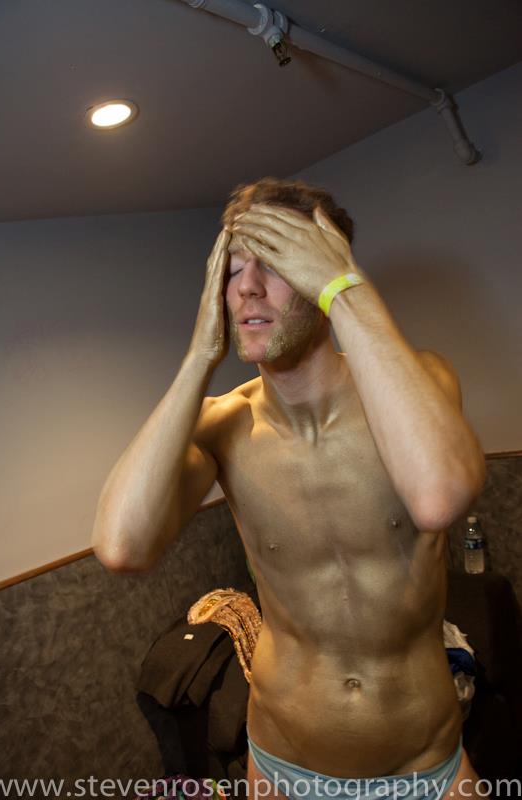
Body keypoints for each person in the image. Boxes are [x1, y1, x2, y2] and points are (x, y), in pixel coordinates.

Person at [92, 177, 487, 800]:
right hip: (283, 767)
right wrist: (199, 356)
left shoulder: (422, 380)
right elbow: (122, 546)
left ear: (324, 272)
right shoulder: (223, 425)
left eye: (275, 263)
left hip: (423, 767)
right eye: (233, 269)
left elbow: (439, 495)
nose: (246, 287)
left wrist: (345, 288)